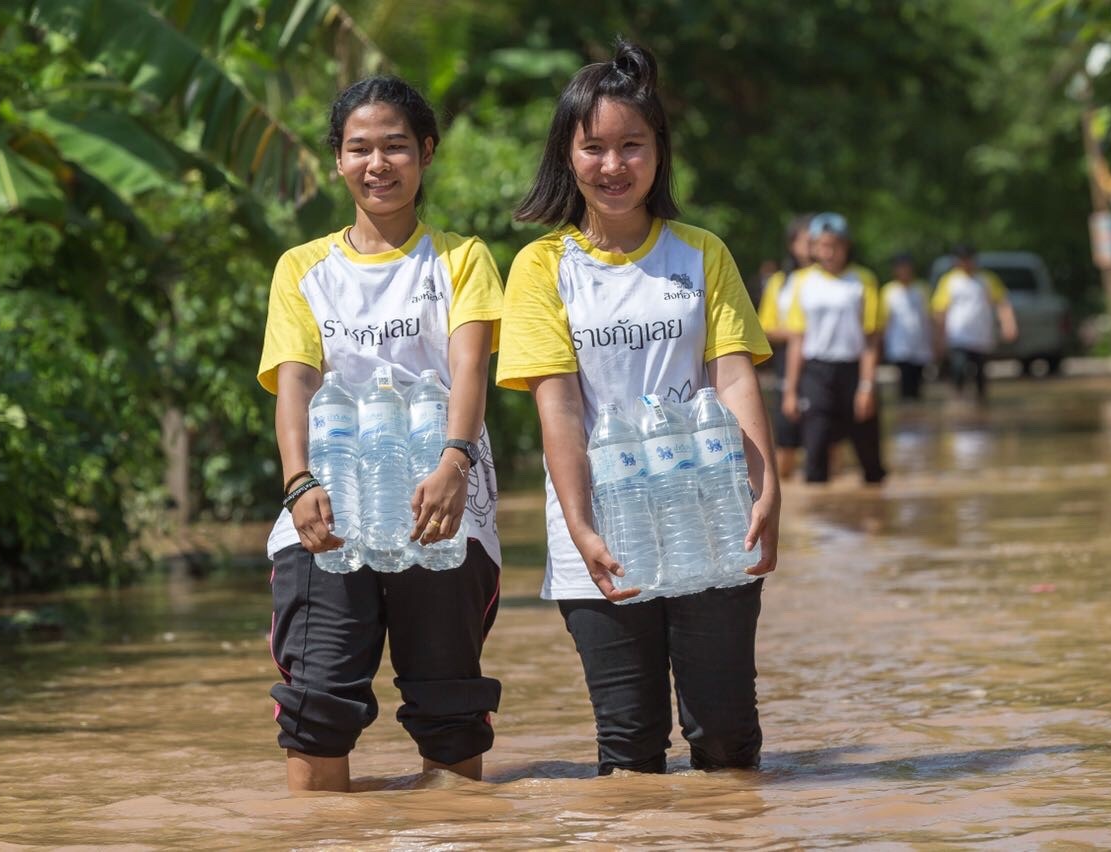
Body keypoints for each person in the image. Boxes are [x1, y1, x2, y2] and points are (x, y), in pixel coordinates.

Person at [495, 40, 779, 776]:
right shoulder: (540, 268)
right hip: (599, 525)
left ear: (659, 153)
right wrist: (581, 526)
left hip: (709, 516)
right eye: (593, 147)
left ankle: (730, 825)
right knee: (629, 748)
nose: (613, 165)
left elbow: (734, 378)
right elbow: (558, 410)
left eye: (632, 146)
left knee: (725, 739)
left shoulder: (700, 253)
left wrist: (767, 491)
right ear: (567, 156)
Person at [256, 76, 504, 792]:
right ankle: (324, 836)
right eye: (359, 148)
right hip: (329, 503)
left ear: (426, 152)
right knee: (318, 704)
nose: (378, 164)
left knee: (447, 705)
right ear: (337, 159)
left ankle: (452, 830)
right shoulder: (303, 268)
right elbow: (296, 381)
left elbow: (469, 370)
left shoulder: (461, 258)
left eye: (395, 146)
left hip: (443, 501)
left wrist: (454, 462)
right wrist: (298, 481)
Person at [782, 212, 887, 484]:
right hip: (816, 372)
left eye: (834, 246)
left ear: (846, 246)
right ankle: (818, 506)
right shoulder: (802, 281)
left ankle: (874, 505)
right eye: (822, 246)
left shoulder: (863, 280)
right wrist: (790, 391)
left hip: (853, 370)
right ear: (815, 247)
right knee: (815, 450)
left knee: (869, 457)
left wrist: (867, 386)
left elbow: (871, 340)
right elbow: (797, 339)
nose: (828, 252)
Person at [757, 214, 815, 478]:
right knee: (786, 433)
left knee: (826, 436)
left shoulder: (834, 280)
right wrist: (796, 334)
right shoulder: (779, 282)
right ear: (792, 244)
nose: (811, 247)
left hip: (821, 363)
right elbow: (765, 327)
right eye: (806, 241)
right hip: (786, 361)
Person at [930, 243, 1018, 401]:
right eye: (962, 259)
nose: (966, 262)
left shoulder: (987, 279)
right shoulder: (949, 281)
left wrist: (1008, 325)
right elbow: (940, 310)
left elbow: (1002, 303)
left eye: (968, 258)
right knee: (958, 368)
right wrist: (938, 337)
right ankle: (956, 399)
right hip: (957, 336)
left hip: (981, 336)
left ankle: (981, 402)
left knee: (980, 373)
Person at [878, 252, 934, 401]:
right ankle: (906, 408)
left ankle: (915, 410)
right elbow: (884, 319)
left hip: (920, 342)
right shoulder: (889, 291)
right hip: (898, 343)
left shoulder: (922, 289)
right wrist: (881, 343)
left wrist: (935, 341)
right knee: (904, 379)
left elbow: (929, 316)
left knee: (918, 381)